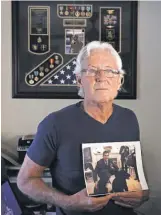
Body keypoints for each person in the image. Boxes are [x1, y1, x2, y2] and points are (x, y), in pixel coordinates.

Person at [17, 41, 149, 215]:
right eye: (92, 70)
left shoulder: (129, 118)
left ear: (119, 81)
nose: (101, 77)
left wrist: (143, 194)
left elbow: (139, 175)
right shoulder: (55, 124)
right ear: (79, 80)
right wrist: (68, 202)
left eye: (110, 71)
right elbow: (25, 180)